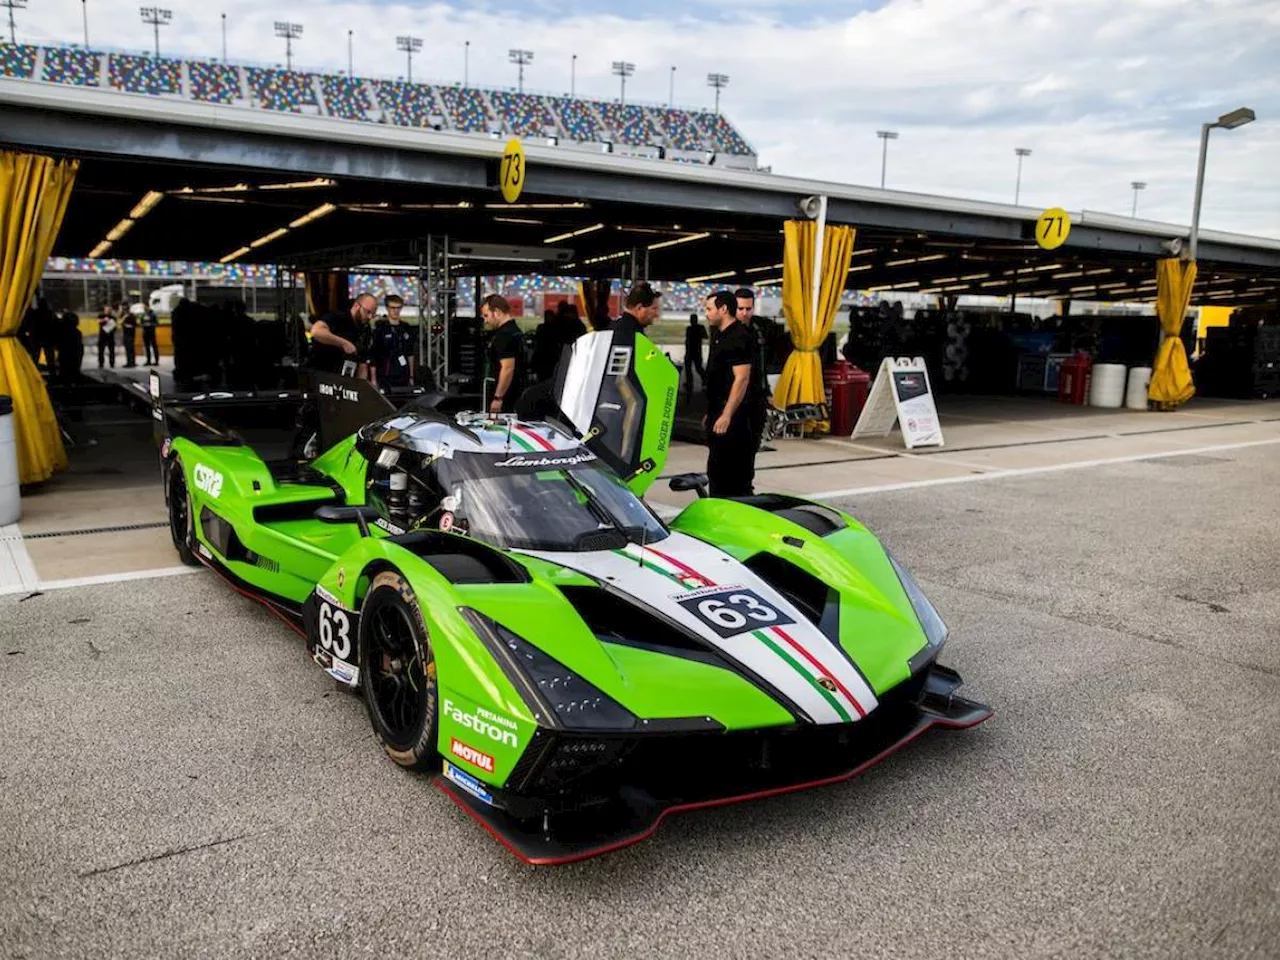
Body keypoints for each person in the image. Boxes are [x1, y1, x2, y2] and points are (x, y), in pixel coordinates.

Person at [703, 289, 760, 498]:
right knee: (716, 471)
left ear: (723, 309)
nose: (707, 314)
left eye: (709, 309)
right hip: (719, 410)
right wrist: (712, 412)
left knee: (733, 475)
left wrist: (726, 414)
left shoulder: (738, 337)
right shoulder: (720, 336)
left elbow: (741, 378)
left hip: (734, 418)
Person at [307, 293, 376, 376]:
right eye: (367, 312)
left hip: (346, 376)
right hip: (322, 373)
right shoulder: (338, 316)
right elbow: (316, 331)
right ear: (357, 306)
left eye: (373, 314)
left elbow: (363, 362)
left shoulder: (365, 328)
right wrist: (344, 343)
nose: (370, 317)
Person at [735, 288, 771, 448]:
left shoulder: (758, 330)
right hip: (735, 395)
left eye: (748, 309)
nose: (744, 313)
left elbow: (762, 364)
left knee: (753, 443)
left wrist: (766, 390)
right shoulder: (727, 331)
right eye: (740, 308)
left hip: (757, 394)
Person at [481, 293, 526, 415]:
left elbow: (507, 368)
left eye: (487, 315)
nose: (486, 320)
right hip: (516, 392)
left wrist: (498, 398)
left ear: (496, 312)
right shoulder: (515, 331)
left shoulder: (504, 335)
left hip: (506, 397)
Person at [369, 294, 417, 390]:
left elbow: (410, 353)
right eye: (393, 308)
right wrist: (373, 379)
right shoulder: (381, 327)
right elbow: (374, 354)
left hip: (403, 373)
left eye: (398, 308)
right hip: (385, 374)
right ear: (387, 308)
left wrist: (411, 376)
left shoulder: (406, 327)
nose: (396, 311)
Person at [683, 312, 706, 398]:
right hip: (696, 352)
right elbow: (705, 336)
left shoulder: (689, 329)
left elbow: (687, 341)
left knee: (690, 369)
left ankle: (690, 383)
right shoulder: (700, 328)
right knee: (698, 368)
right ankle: (704, 380)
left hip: (691, 352)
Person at [97, 304, 117, 369]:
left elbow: (115, 326)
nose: (107, 311)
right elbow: (98, 321)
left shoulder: (113, 317)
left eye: (109, 310)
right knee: (101, 350)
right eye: (106, 309)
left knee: (111, 351)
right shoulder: (101, 315)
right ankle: (101, 363)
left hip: (110, 336)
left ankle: (112, 363)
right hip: (102, 336)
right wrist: (104, 320)